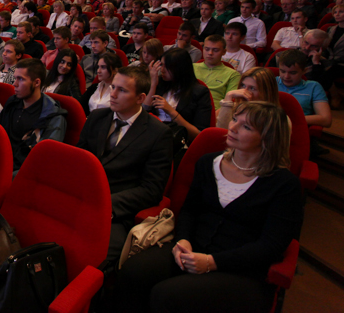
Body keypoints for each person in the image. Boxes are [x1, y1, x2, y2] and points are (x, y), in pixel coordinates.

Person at [115, 101, 302, 313]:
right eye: (234, 119)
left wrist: (212, 262)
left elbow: (270, 246)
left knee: (167, 295)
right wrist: (182, 240)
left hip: (241, 270)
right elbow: (190, 210)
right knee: (133, 272)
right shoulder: (208, 162)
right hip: (194, 249)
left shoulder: (285, 185)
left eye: (246, 127)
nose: (232, 128)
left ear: (268, 138)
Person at [77, 65, 173, 262]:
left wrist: (105, 205)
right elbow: (80, 160)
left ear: (140, 98)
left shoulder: (158, 134)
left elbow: (151, 189)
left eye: (122, 90)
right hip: (82, 198)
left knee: (93, 256)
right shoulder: (97, 117)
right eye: (113, 87)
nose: (113, 94)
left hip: (117, 210)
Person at [0, 58, 67, 173]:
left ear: (36, 83)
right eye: (15, 78)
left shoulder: (53, 117)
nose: (15, 84)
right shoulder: (12, 102)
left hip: (23, 172)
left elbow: (43, 160)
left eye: (20, 79)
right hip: (1, 162)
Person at [145, 48, 213, 145]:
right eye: (162, 65)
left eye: (167, 67)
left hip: (177, 140)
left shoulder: (199, 92)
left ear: (180, 68)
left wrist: (171, 111)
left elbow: (199, 134)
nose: (162, 70)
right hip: (152, 134)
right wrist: (153, 85)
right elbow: (144, 110)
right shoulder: (159, 84)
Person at [276, 49, 331, 127]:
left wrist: (288, 120)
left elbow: (326, 119)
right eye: (282, 71)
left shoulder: (313, 87)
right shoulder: (271, 82)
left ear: (304, 71)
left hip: (297, 129)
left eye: (293, 73)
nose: (286, 76)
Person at [216, 67, 281, 129]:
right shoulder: (232, 108)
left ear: (266, 92)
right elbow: (221, 133)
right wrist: (228, 96)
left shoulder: (277, 119)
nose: (243, 92)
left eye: (252, 88)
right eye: (243, 85)